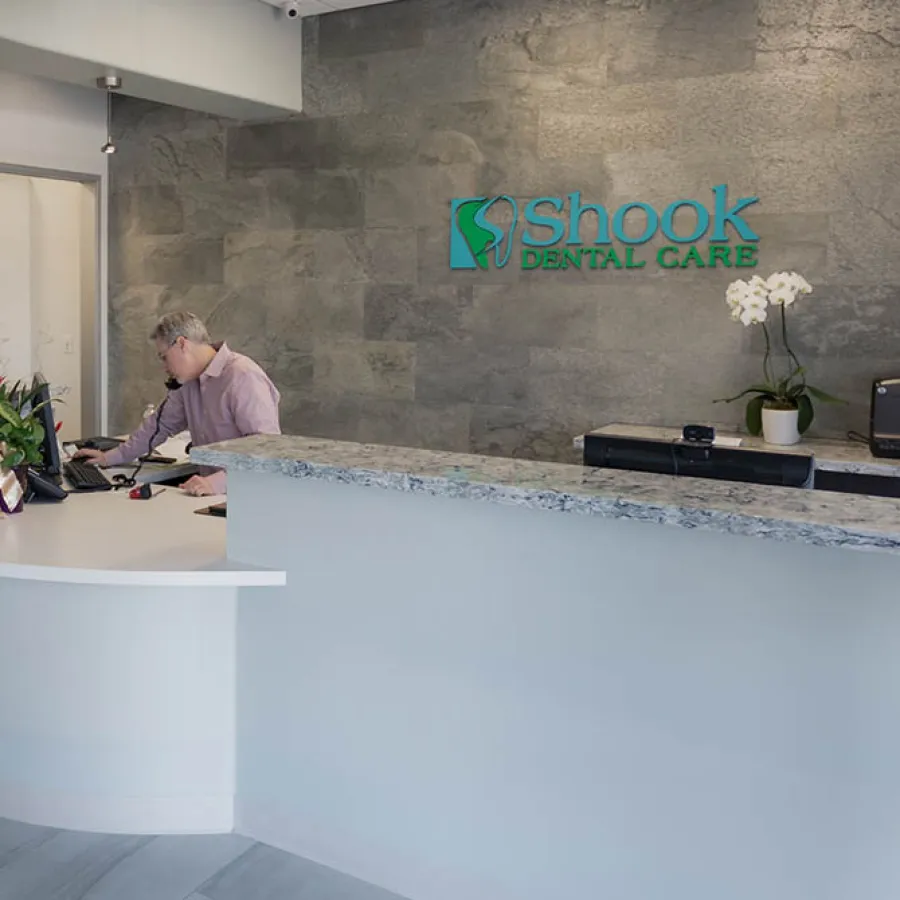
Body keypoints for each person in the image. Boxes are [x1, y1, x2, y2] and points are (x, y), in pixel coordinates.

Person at [74, 311, 281, 496]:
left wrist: (216, 484)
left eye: (164, 358)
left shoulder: (243, 376)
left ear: (182, 343)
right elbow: (159, 426)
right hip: (209, 494)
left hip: (247, 499)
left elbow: (267, 452)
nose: (164, 367)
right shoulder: (188, 382)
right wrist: (110, 458)